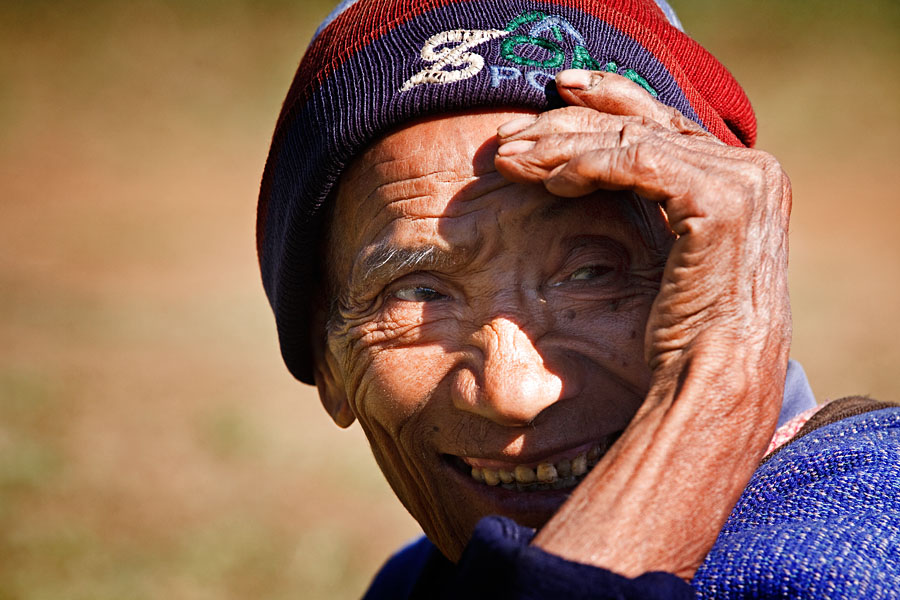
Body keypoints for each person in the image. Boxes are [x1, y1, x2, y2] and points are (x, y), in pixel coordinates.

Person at [256, 0, 900, 597]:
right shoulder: (419, 581)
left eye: (593, 274)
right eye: (420, 294)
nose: (515, 394)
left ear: (725, 276)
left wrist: (719, 383)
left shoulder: (849, 552)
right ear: (327, 359)